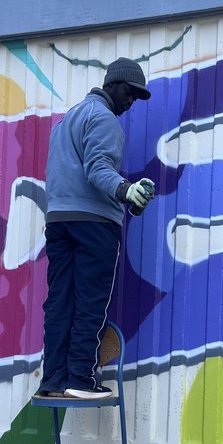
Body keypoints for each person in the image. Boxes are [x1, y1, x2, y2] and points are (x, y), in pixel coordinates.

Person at [38, 57, 156, 400]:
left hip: (59, 221)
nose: (130, 100)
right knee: (91, 301)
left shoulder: (66, 120)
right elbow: (98, 168)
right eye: (128, 92)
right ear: (113, 84)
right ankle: (80, 378)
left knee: (60, 300)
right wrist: (125, 190)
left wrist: (122, 192)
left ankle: (53, 380)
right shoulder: (104, 119)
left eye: (136, 96)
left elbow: (73, 172)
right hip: (94, 225)